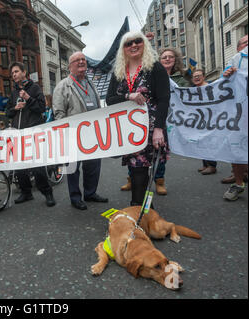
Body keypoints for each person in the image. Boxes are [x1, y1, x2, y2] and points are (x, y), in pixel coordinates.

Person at [106, 31, 170, 207]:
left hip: (150, 128)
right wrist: (129, 95)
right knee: (136, 170)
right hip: (128, 129)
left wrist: (158, 129)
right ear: (123, 49)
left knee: (141, 169)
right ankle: (143, 210)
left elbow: (164, 100)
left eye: (137, 41)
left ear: (144, 44)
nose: (133, 45)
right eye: (128, 43)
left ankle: (139, 210)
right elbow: (109, 100)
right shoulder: (118, 72)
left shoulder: (155, 67)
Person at [120, 48, 190, 195]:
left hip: (168, 117)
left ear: (175, 60)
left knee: (158, 150)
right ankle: (133, 179)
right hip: (143, 119)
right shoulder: (150, 72)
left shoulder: (181, 78)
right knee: (136, 152)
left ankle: (159, 180)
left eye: (171, 57)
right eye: (164, 57)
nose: (167, 59)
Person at [53, 52, 107, 210]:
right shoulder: (63, 85)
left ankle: (90, 193)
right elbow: (59, 113)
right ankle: (75, 197)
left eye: (83, 59)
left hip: (92, 132)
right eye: (77, 60)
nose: (81, 62)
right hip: (73, 134)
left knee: (93, 165)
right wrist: (64, 133)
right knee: (72, 168)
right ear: (70, 66)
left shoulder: (91, 83)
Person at [5, 62, 56, 207]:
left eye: (16, 71)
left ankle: (47, 193)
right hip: (17, 134)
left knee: (37, 167)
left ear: (24, 72)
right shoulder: (13, 92)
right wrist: (15, 108)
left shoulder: (34, 88)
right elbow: (7, 112)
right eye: (12, 73)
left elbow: (41, 108)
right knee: (20, 167)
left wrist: (28, 98)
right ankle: (26, 192)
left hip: (33, 132)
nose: (13, 74)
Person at [221, 35, 248, 201]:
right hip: (239, 114)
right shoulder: (235, 59)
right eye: (245, 42)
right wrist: (228, 74)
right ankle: (238, 184)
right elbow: (222, 82)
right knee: (237, 150)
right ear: (239, 48)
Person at [191, 69, 218, 176]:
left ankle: (212, 165)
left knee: (209, 141)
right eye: (194, 76)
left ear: (204, 76)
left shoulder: (211, 87)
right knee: (201, 141)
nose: (196, 78)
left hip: (210, 118)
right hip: (198, 119)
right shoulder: (192, 90)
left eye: (199, 76)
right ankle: (205, 164)